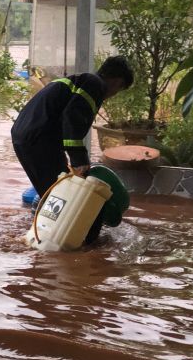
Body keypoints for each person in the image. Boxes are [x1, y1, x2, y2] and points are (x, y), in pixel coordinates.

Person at [11, 56, 134, 242]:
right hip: (39, 139)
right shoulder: (94, 84)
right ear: (117, 81)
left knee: (52, 192)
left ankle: (44, 236)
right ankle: (84, 244)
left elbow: (66, 118)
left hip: (25, 138)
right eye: (118, 90)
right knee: (68, 195)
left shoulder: (82, 80)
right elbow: (73, 118)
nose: (113, 94)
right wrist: (79, 160)